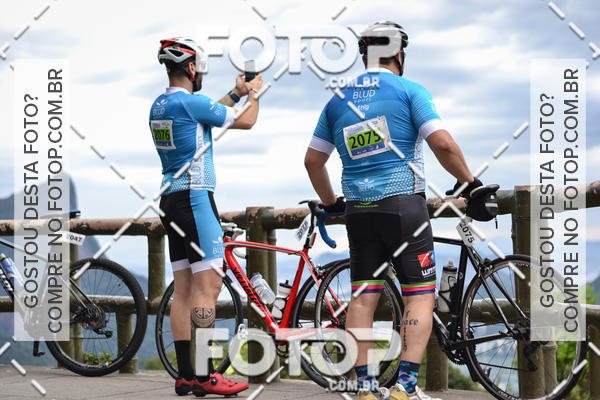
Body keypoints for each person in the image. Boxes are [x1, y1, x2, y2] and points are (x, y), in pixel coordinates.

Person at [304, 22, 482, 400]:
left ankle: (366, 388)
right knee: (419, 295)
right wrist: (470, 181)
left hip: (358, 211)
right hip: (403, 207)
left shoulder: (337, 101)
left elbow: (312, 161)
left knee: (363, 298)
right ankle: (404, 387)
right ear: (399, 54)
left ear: (364, 55)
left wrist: (332, 203)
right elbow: (442, 144)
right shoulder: (409, 90)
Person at [150, 37, 262, 396]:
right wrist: (254, 93)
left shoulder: (161, 105)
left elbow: (207, 113)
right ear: (190, 67)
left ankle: (187, 375)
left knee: (183, 290)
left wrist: (235, 92)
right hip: (196, 199)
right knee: (208, 288)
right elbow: (246, 121)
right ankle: (206, 374)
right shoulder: (191, 103)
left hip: (171, 201)